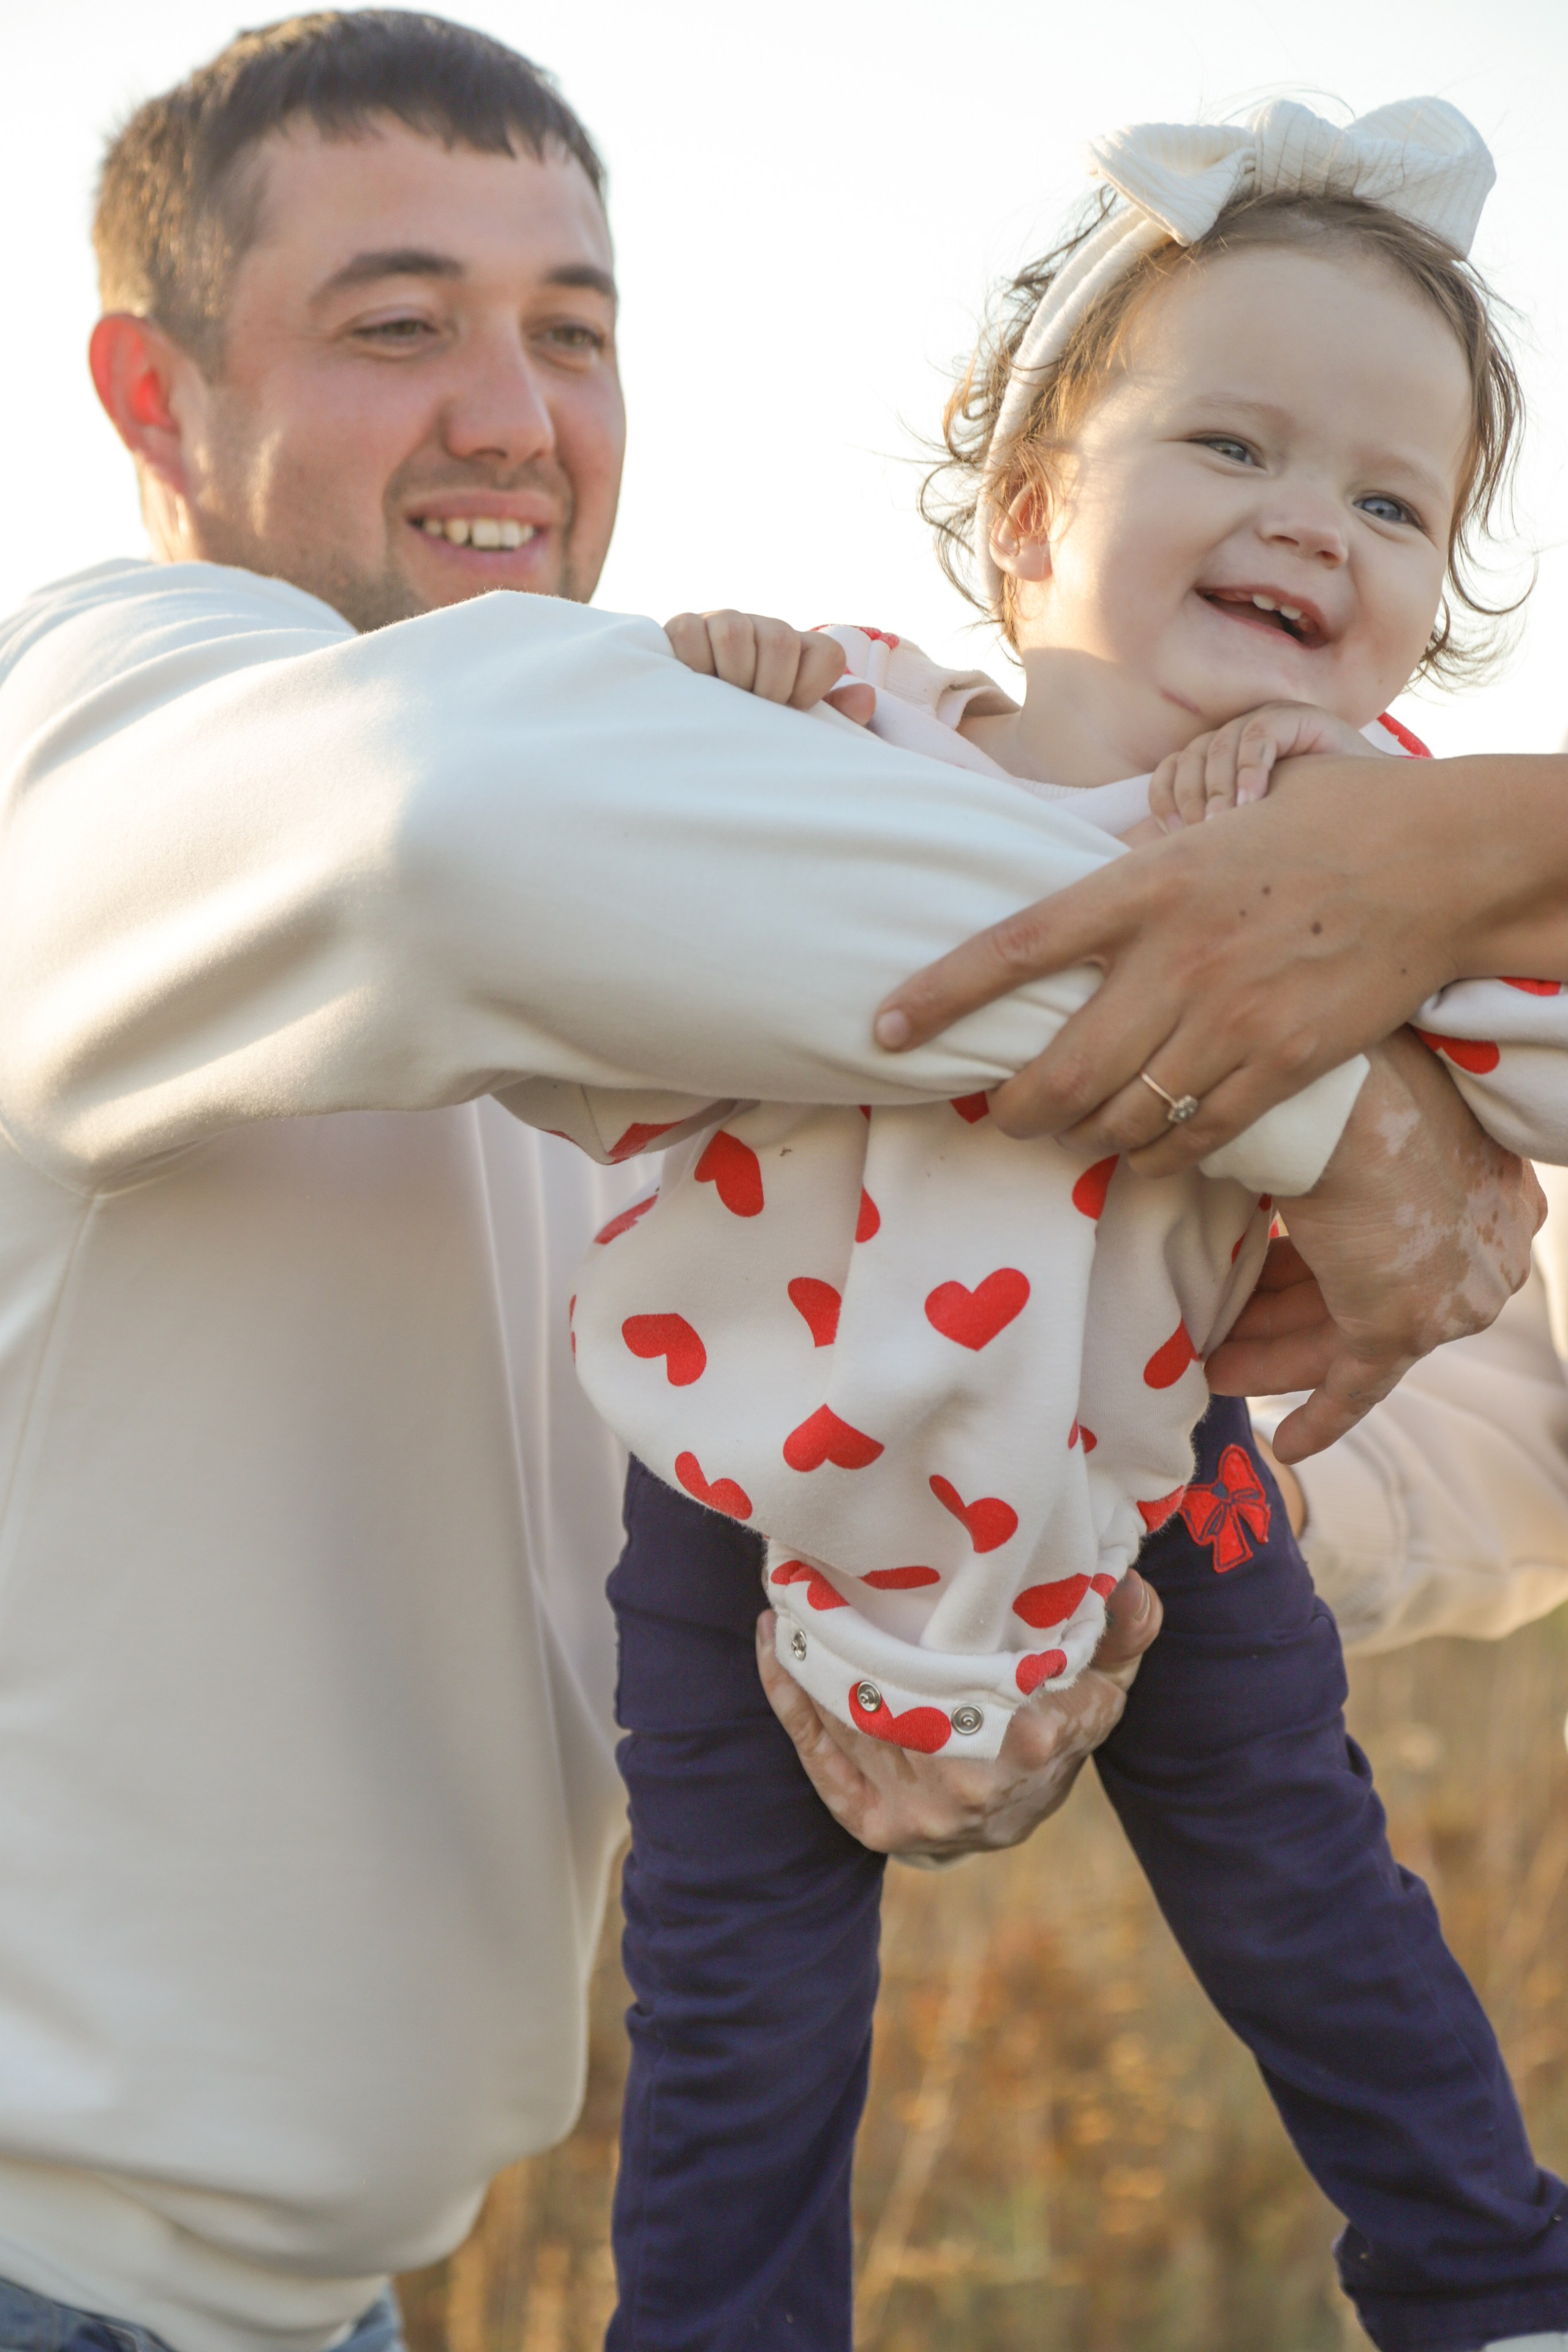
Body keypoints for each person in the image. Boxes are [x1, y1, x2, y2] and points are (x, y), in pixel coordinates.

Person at [3, 18, 1504, 2352]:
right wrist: (1341, 1088)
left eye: (572, 334)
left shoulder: (687, 926)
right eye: (399, 326)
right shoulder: (110, 712)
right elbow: (454, 823)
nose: (511, 411)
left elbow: (902, 1341)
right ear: (155, 396)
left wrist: (1033, 1586)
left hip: (314, 2309)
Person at [579, 102, 1568, 2352]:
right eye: (1233, 444)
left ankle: (1493, 2281)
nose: (1310, 521)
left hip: (1155, 1463)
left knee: (1308, 1891)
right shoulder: (855, 720)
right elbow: (588, 848)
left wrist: (1432, 1072)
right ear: (1029, 505)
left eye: (1390, 501)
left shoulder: (1378, 846)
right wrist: (702, 681)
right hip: (746, 1456)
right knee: (737, 1984)